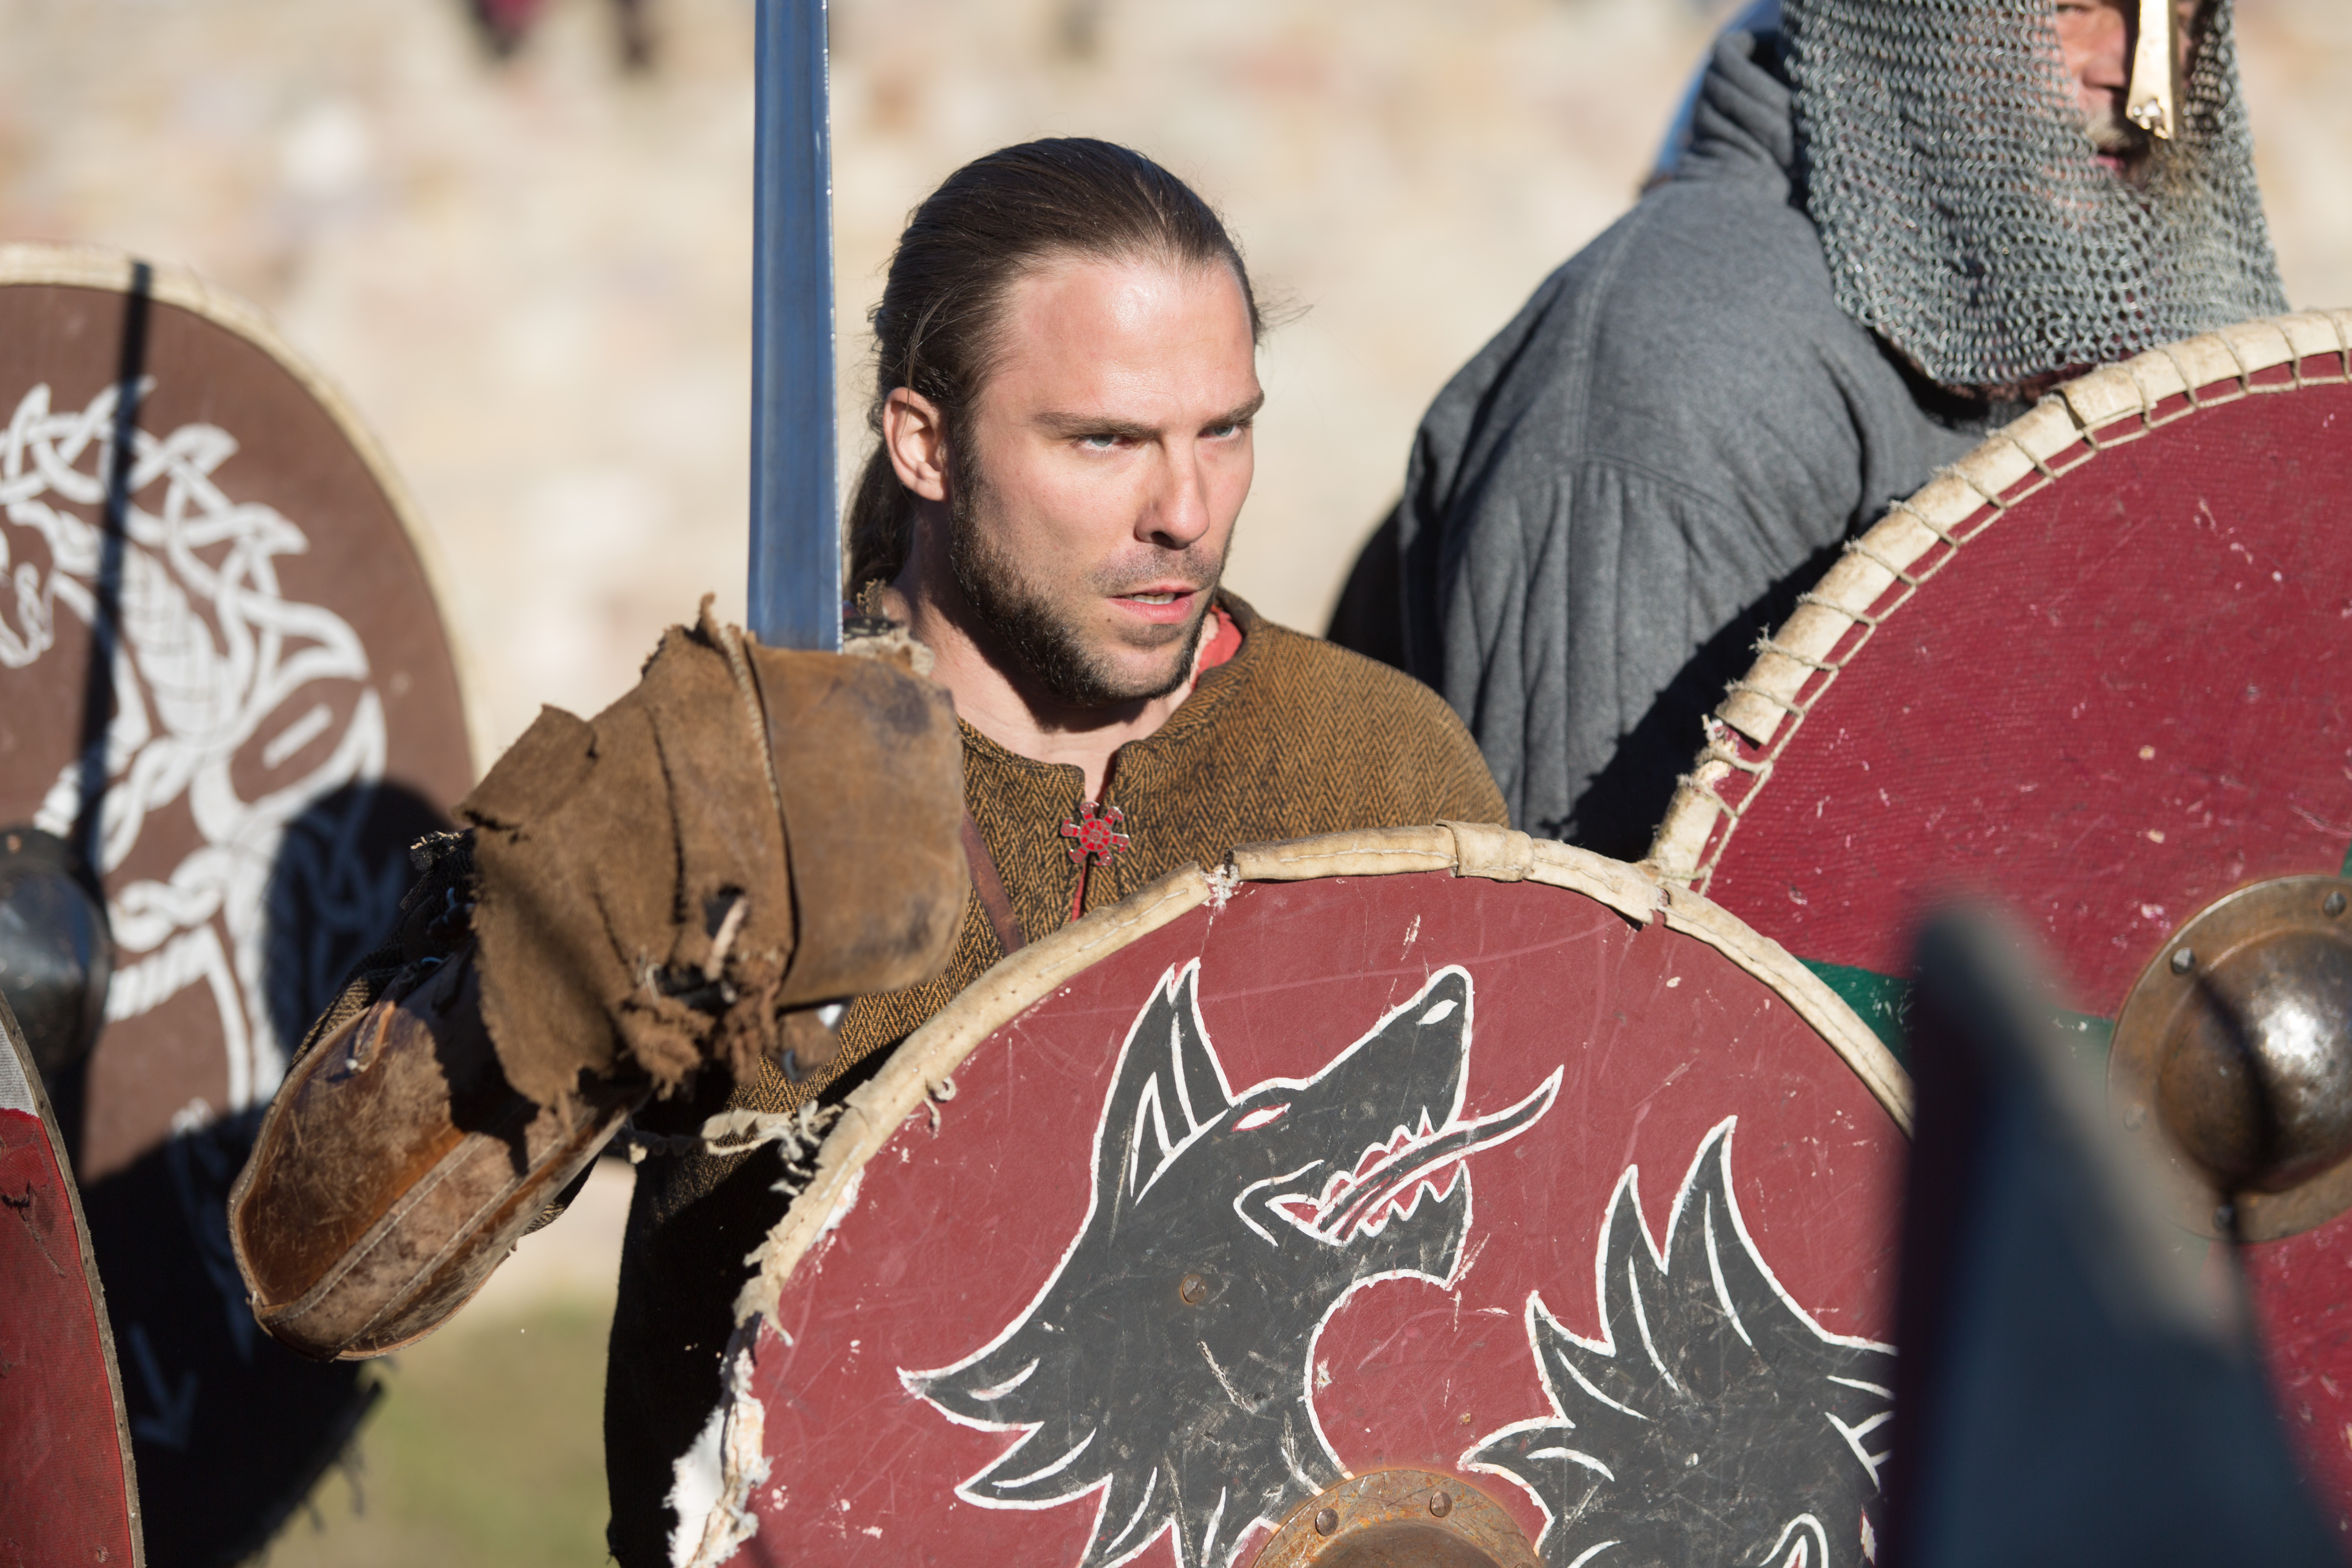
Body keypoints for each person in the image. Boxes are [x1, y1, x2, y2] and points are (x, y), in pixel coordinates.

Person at [232, 138, 1505, 1567]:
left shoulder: (1386, 772)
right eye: (1104, 441)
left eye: (1223, 430)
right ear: (924, 443)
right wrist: (592, 936)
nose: (1187, 513)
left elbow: (1516, 1287)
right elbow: (324, 1273)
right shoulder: (720, 792)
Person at [1334, 0, 2284, 860]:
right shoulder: (1688, 364)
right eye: (2074, 8)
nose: (2135, 74)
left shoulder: (2045, 318)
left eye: (2178, 17)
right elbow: (1598, 952)